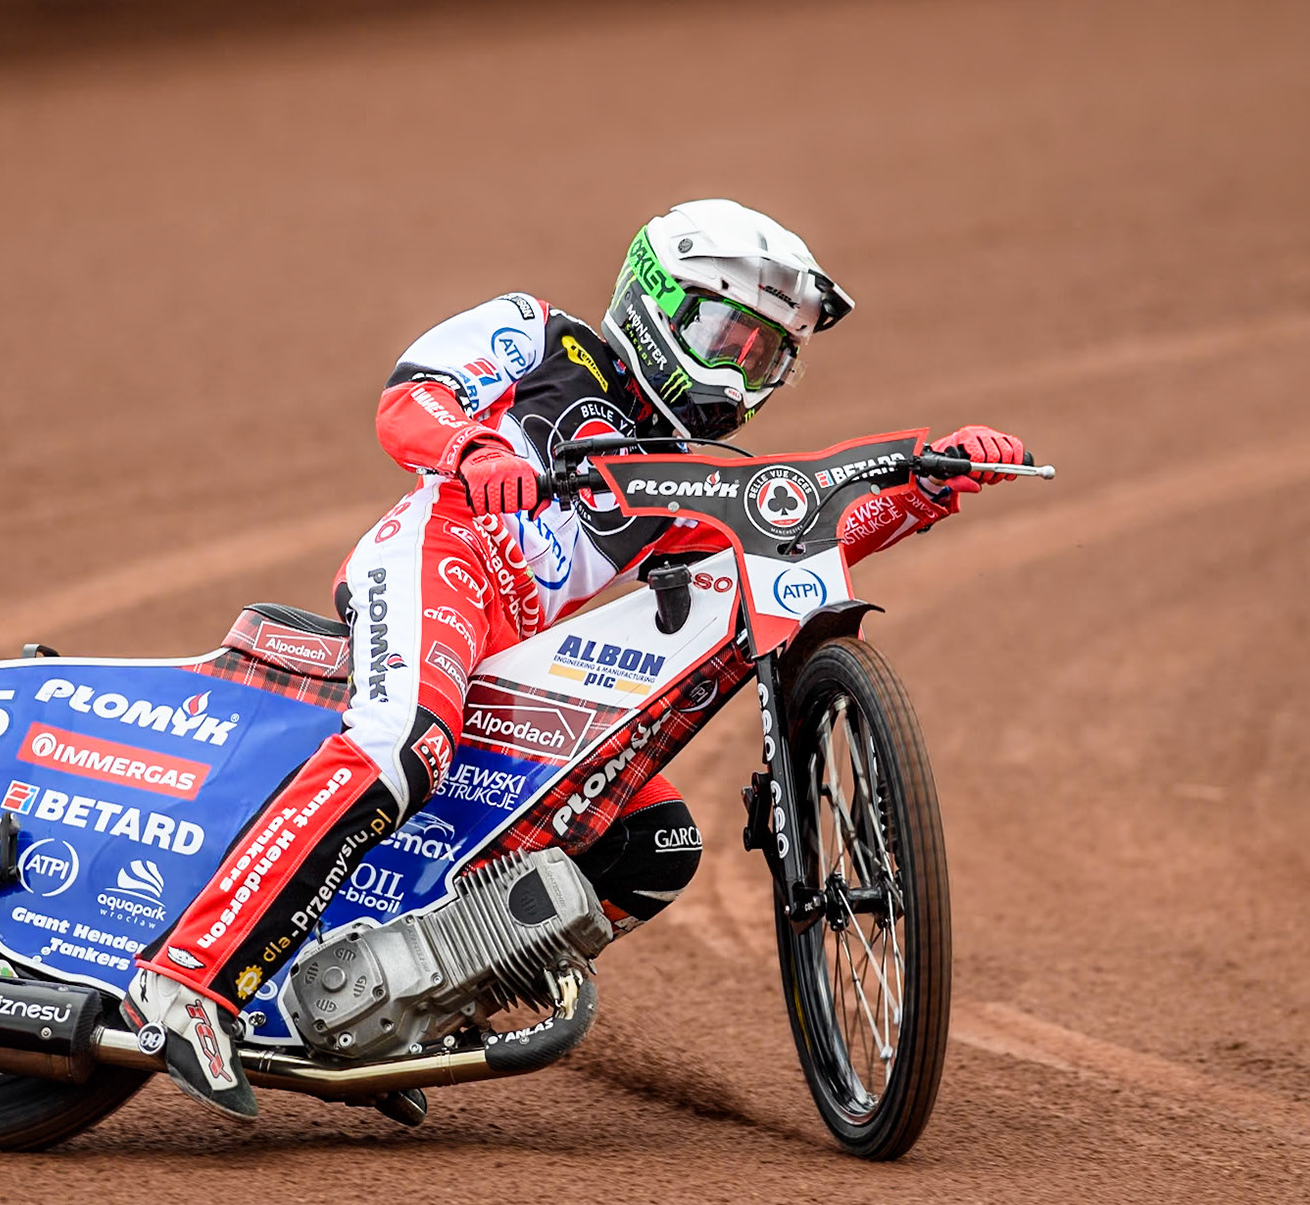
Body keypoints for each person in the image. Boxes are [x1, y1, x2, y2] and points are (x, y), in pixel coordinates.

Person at [123, 198, 1026, 1121]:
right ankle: (185, 977)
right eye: (726, 336)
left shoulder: (679, 465)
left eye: (766, 357)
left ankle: (405, 1011)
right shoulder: (539, 331)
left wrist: (926, 476)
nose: (740, 374)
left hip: (515, 645)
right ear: (655, 301)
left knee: (652, 844)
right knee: (404, 743)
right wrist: (471, 445)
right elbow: (411, 396)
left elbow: (786, 529)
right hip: (441, 554)